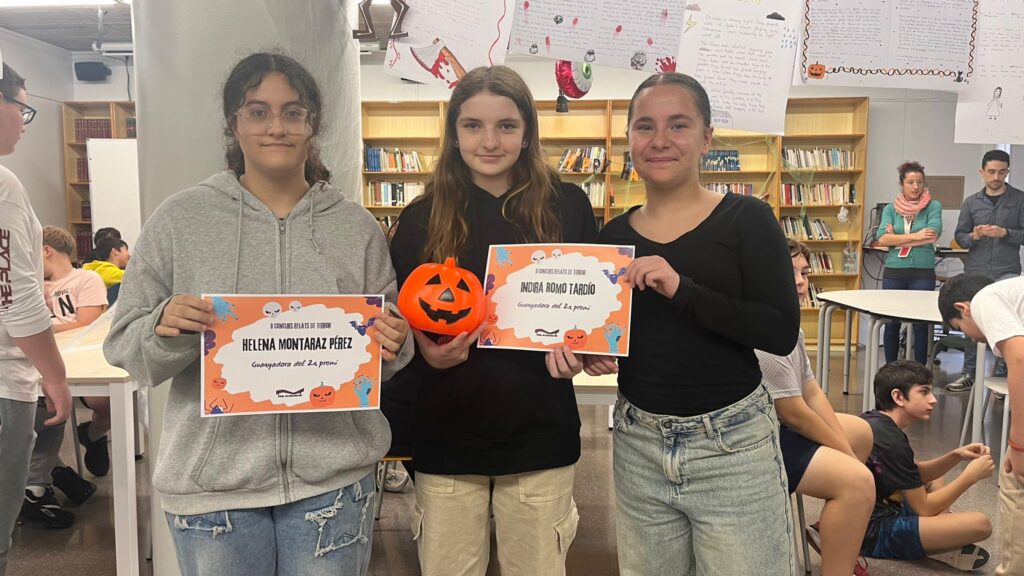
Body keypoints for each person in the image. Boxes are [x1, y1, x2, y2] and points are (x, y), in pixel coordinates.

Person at [103, 52, 412, 575]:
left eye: (293, 112)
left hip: (334, 482)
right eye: (258, 111)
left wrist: (395, 343)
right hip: (214, 490)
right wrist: (164, 328)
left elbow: (387, 350)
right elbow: (127, 348)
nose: (276, 127)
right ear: (234, 123)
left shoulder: (356, 227)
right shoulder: (180, 219)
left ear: (313, 124)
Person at [586, 72, 800, 575]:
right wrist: (594, 350)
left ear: (706, 138)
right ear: (629, 139)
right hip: (638, 442)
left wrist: (683, 289)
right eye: (645, 126)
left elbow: (777, 331)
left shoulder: (748, 218)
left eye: (678, 125)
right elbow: (622, 335)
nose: (660, 140)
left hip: (733, 446)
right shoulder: (612, 237)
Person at [388, 65, 596, 576]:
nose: (489, 141)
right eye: (473, 125)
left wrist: (582, 351)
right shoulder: (420, 218)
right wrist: (425, 352)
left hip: (540, 433)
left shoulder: (567, 206)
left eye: (505, 125)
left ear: (527, 133)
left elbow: (589, 308)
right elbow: (395, 326)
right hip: (446, 437)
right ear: (454, 134)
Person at [756, 238, 875, 576]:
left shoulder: (788, 322)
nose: (800, 281)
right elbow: (793, 413)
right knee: (858, 481)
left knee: (861, 432)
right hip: (763, 437)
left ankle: (836, 531)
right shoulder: (763, 329)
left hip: (784, 425)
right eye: (789, 272)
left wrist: (845, 447)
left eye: (805, 273)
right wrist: (846, 456)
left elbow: (811, 391)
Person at [0, 62, 71, 575]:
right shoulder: (2, 185)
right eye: (22, 108)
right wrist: (55, 375)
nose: (24, 122)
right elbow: (16, 297)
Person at [860, 360, 993, 571]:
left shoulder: (876, 421)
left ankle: (942, 538)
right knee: (981, 524)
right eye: (924, 392)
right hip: (872, 533)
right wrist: (970, 477)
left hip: (881, 509)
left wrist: (955, 456)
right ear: (898, 397)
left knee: (934, 477)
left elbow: (912, 473)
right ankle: (942, 543)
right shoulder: (892, 443)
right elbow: (923, 508)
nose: (933, 399)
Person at [19, 226, 106, 529]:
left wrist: (43, 330)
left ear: (45, 250)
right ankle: (41, 482)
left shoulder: (86, 279)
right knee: (44, 407)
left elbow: (88, 322)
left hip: (73, 359)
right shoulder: (30, 284)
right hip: (40, 365)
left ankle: (54, 471)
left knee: (86, 405)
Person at [939, 273, 1024, 575]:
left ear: (963, 308)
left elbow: (1020, 359)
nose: (972, 338)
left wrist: (1018, 444)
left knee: (1015, 480)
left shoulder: (984, 300)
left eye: (960, 329)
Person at [950, 149, 1024, 391]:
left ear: (1008, 172)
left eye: (1001, 172)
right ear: (982, 172)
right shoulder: (971, 202)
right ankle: (969, 373)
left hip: (1006, 271)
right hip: (976, 272)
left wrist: (1006, 233)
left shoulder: (1020, 199)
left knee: (1008, 325)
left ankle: (1005, 378)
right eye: (991, 172)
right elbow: (960, 237)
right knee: (972, 321)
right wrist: (974, 236)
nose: (996, 177)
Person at [875, 161, 941, 365]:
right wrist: (917, 236)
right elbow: (882, 239)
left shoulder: (933, 206)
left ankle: (920, 369)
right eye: (910, 182)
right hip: (895, 270)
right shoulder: (891, 209)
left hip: (922, 270)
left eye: (919, 182)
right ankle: (890, 368)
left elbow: (932, 235)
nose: (915, 187)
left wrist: (897, 239)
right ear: (902, 184)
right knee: (891, 321)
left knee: (921, 324)